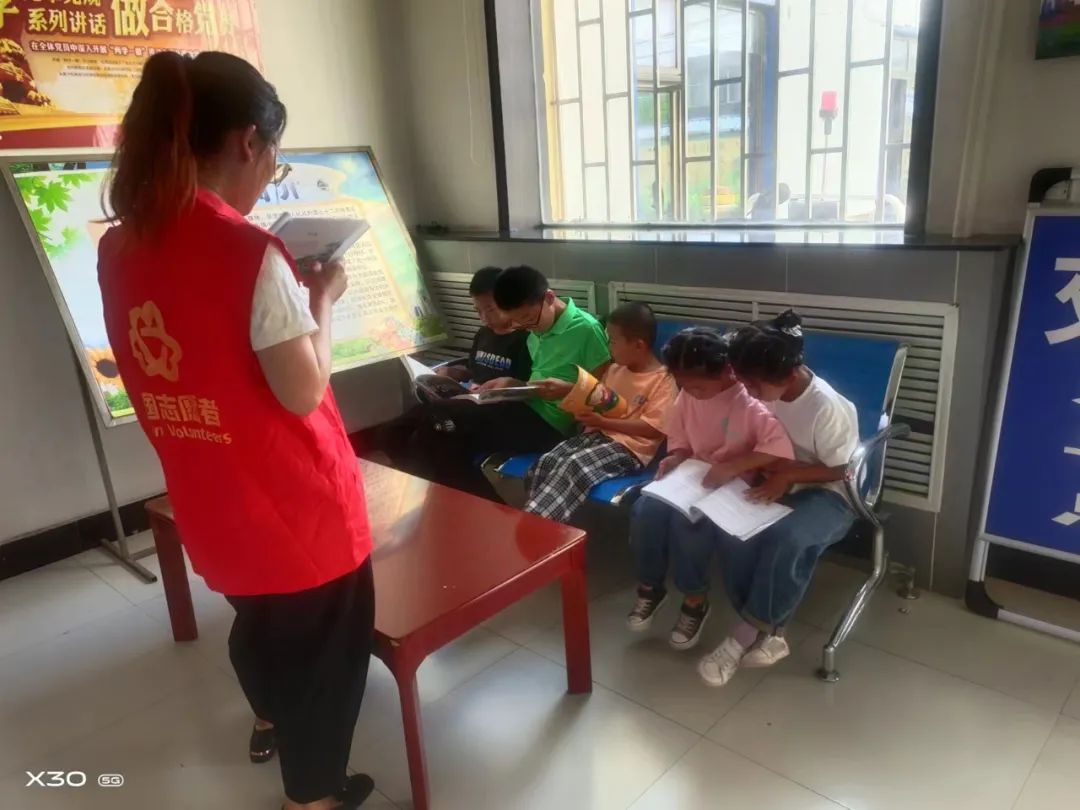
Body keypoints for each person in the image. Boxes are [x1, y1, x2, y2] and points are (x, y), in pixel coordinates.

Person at [98, 52, 375, 809]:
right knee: (327, 661)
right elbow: (302, 390)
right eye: (273, 155)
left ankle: (266, 716)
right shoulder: (247, 250)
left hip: (210, 495)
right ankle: (311, 797)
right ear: (249, 142)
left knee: (258, 619)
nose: (269, 173)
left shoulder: (120, 245)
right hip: (295, 509)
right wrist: (322, 299)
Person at [697, 311, 859, 687]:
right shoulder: (766, 390)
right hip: (780, 478)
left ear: (788, 375)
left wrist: (786, 476)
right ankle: (767, 628)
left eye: (755, 386)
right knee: (734, 529)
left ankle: (742, 636)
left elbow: (844, 470)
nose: (749, 392)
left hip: (831, 491)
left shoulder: (825, 407)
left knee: (787, 537)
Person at [627, 327, 793, 652]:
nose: (691, 393)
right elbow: (680, 436)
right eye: (684, 386)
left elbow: (777, 448)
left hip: (734, 482)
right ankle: (650, 586)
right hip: (694, 475)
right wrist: (676, 456)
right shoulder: (689, 395)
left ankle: (695, 599)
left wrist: (733, 466)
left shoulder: (749, 402)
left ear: (726, 371)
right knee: (644, 511)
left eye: (699, 387)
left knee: (688, 524)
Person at [412, 265, 610, 500]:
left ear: (549, 297)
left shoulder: (587, 330)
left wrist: (565, 392)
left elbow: (605, 393)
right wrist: (514, 384)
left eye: (528, 320)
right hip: (524, 407)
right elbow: (536, 383)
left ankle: (483, 509)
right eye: (519, 324)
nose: (527, 328)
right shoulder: (536, 330)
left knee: (436, 420)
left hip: (550, 426)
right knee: (437, 438)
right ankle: (485, 510)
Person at [524, 302, 677, 524]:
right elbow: (599, 399)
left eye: (613, 341)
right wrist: (581, 404)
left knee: (573, 465)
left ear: (638, 345)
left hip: (628, 448)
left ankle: (534, 526)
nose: (609, 347)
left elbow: (652, 430)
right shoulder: (614, 370)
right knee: (547, 461)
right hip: (595, 435)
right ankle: (546, 525)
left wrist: (603, 422)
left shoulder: (663, 380)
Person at [367, 266, 531, 472]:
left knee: (429, 437)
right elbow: (474, 369)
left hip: (492, 412)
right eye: (478, 311)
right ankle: (416, 476)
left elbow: (523, 389)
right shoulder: (484, 334)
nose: (484, 318)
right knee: (391, 433)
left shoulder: (526, 340)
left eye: (490, 309)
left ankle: (429, 480)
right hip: (462, 402)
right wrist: (454, 373)